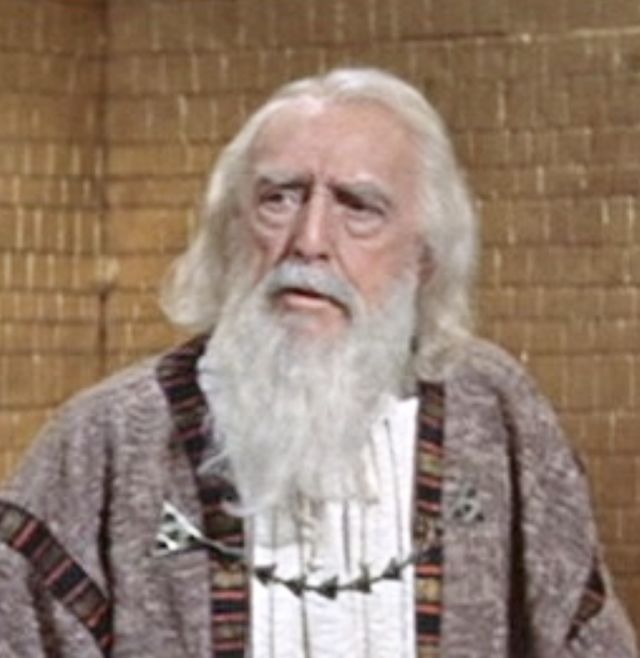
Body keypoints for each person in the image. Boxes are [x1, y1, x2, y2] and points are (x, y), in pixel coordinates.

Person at [0, 68, 636, 658]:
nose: (309, 242)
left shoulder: (495, 416)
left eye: (358, 207)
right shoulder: (107, 440)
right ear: (230, 228)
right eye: (279, 198)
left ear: (425, 254)